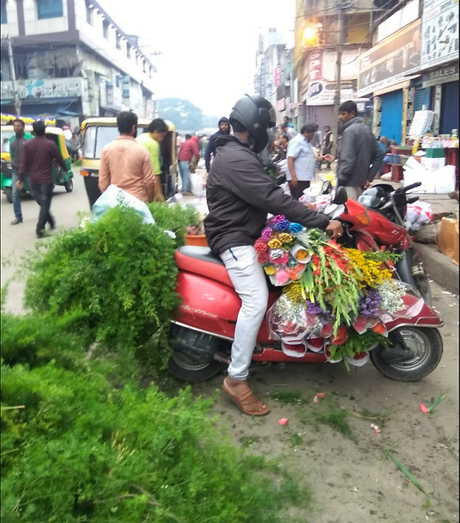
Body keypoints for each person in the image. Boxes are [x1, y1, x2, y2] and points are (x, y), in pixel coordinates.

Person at [204, 94, 343, 416]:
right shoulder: (235, 157)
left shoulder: (233, 153)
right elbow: (270, 198)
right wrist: (322, 221)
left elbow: (265, 194)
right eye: (267, 126)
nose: (269, 132)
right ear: (255, 126)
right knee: (255, 298)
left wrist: (305, 213)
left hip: (244, 231)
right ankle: (236, 379)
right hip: (234, 238)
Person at [16, 120, 67, 238]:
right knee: (45, 203)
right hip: (46, 180)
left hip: (33, 180)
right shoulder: (50, 144)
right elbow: (59, 159)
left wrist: (20, 178)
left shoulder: (28, 145)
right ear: (44, 130)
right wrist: (65, 169)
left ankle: (51, 221)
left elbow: (23, 163)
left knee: (43, 203)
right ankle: (40, 229)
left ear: (33, 131)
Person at [98, 111, 156, 203]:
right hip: (138, 202)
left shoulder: (106, 150)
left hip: (115, 202)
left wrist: (109, 200)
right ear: (133, 128)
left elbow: (103, 182)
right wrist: (149, 204)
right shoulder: (142, 151)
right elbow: (150, 183)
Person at [336, 100, 384, 201]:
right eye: (340, 114)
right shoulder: (366, 130)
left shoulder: (349, 131)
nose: (340, 117)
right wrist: (368, 177)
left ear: (352, 113)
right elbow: (379, 154)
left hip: (349, 183)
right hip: (361, 183)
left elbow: (348, 159)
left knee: (348, 214)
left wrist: (341, 179)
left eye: (343, 114)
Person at [286, 123, 332, 200]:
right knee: (298, 202)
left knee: (304, 201)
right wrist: (293, 176)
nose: (312, 136)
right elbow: (290, 158)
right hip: (298, 178)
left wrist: (324, 158)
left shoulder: (306, 143)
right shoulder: (297, 141)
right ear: (306, 132)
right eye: (312, 134)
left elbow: (311, 158)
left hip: (304, 178)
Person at [136, 118, 169, 202]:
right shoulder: (153, 144)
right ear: (156, 131)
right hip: (145, 186)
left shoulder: (139, 138)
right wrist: (159, 195)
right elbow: (155, 172)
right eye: (162, 136)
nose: (162, 139)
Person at [9, 119, 34, 225]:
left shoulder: (29, 138)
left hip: (28, 171)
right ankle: (18, 216)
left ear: (23, 127)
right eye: (14, 126)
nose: (16, 128)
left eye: (18, 126)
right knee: (15, 194)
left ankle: (45, 212)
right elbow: (12, 155)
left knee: (34, 193)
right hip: (16, 171)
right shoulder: (12, 140)